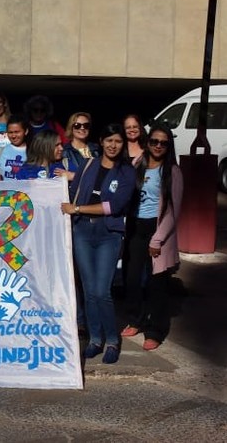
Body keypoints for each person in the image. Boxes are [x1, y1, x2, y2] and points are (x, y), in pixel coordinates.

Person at [60, 123, 136, 365]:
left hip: (108, 234)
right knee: (89, 291)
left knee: (102, 291)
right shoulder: (88, 164)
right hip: (82, 230)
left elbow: (115, 206)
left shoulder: (127, 172)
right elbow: (72, 191)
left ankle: (112, 340)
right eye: (109, 140)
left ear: (123, 145)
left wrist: (78, 209)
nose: (113, 145)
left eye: (118, 141)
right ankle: (95, 339)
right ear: (101, 142)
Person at [121, 123, 183, 351]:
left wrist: (158, 239)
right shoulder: (138, 164)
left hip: (157, 232)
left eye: (163, 143)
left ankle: (155, 330)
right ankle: (135, 319)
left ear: (169, 146)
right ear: (147, 143)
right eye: (154, 141)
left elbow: (174, 211)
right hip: (135, 228)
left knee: (157, 284)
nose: (158, 146)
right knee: (132, 278)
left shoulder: (173, 172)